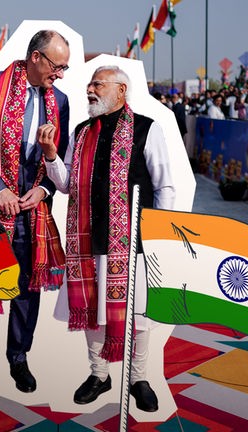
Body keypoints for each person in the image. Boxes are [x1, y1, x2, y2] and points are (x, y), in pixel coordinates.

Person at [42, 65, 174, 412]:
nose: (90, 89)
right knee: (90, 309)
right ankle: (99, 374)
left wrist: (161, 237)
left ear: (121, 91)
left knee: (140, 315)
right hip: (86, 239)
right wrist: (51, 155)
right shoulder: (82, 131)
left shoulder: (146, 128)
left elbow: (164, 186)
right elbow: (67, 183)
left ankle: (139, 378)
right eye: (90, 83)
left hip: (134, 241)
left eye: (98, 84)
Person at [0, 29, 70, 398]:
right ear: (36, 57)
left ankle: (18, 357)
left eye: (65, 67)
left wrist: (45, 189)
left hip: (32, 211)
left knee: (26, 288)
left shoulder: (61, 100)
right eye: (58, 65)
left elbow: (59, 157)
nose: (61, 74)